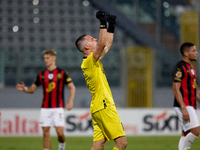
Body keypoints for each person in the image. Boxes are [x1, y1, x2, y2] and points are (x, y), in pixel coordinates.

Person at [75, 11, 127, 150]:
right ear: (86, 46)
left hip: (98, 107)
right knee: (121, 143)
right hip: (104, 105)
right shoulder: (89, 62)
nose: (95, 39)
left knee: (98, 146)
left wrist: (112, 26)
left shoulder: (93, 60)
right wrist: (103, 22)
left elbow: (107, 45)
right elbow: (103, 44)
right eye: (91, 39)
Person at [16, 49, 76, 150]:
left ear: (54, 58)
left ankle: (61, 146)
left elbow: (72, 87)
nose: (45, 60)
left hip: (58, 107)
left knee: (60, 132)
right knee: (45, 133)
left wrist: (70, 101)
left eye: (47, 58)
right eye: (44, 58)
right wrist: (24, 89)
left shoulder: (61, 73)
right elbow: (32, 89)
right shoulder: (41, 74)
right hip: (45, 108)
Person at [172, 42, 200, 150]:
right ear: (186, 53)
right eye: (193, 51)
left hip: (191, 105)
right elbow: (175, 88)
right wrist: (183, 108)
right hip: (184, 104)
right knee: (196, 131)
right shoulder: (179, 67)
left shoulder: (192, 68)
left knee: (186, 132)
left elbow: (195, 90)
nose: (196, 53)